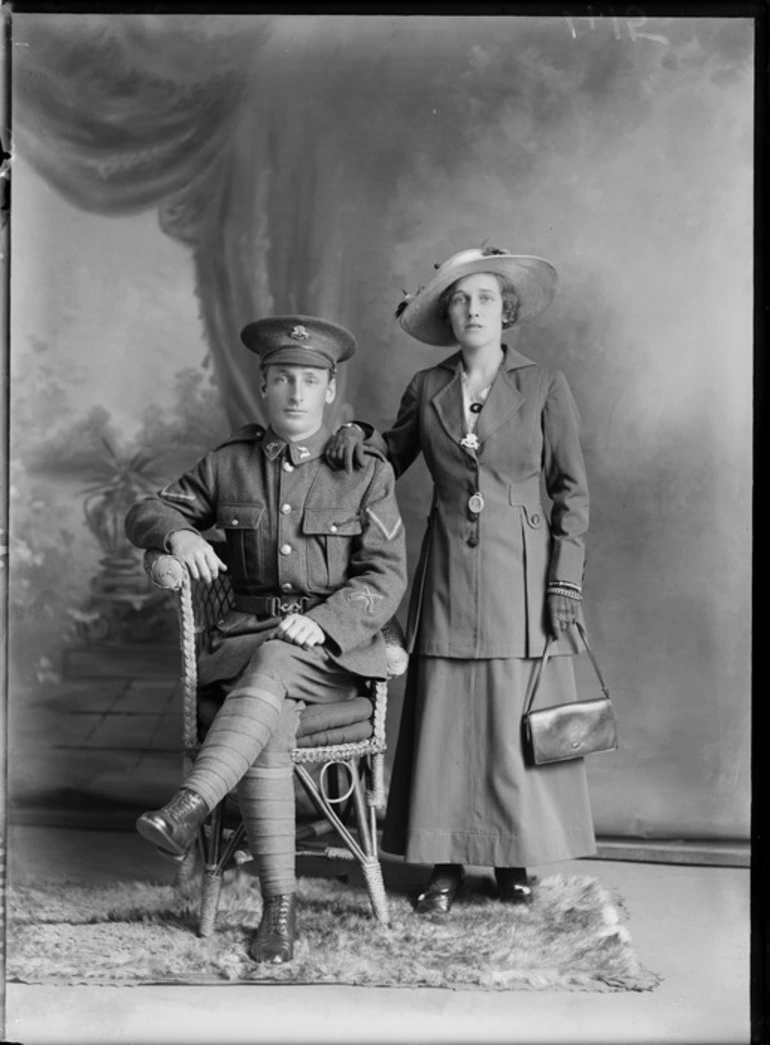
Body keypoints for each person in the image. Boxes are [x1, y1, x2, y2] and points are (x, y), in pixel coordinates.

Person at [125, 315, 407, 963]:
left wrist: (328, 622)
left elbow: (385, 576)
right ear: (264, 386)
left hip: (334, 654)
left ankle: (192, 803)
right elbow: (147, 509)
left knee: (279, 658)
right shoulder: (230, 464)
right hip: (251, 646)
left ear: (331, 392)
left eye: (311, 381)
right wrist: (180, 534)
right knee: (270, 710)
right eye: (284, 379)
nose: (297, 394)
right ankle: (278, 911)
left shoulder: (364, 470)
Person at [327, 246, 596, 915]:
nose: (473, 309)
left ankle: (512, 860)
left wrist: (564, 582)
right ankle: (445, 860)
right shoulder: (427, 388)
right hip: (447, 568)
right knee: (447, 715)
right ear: (447, 314)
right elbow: (391, 453)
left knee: (510, 716)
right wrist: (354, 438)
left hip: (524, 575)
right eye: (459, 298)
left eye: (484, 298)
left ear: (507, 311)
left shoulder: (544, 385)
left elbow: (572, 492)